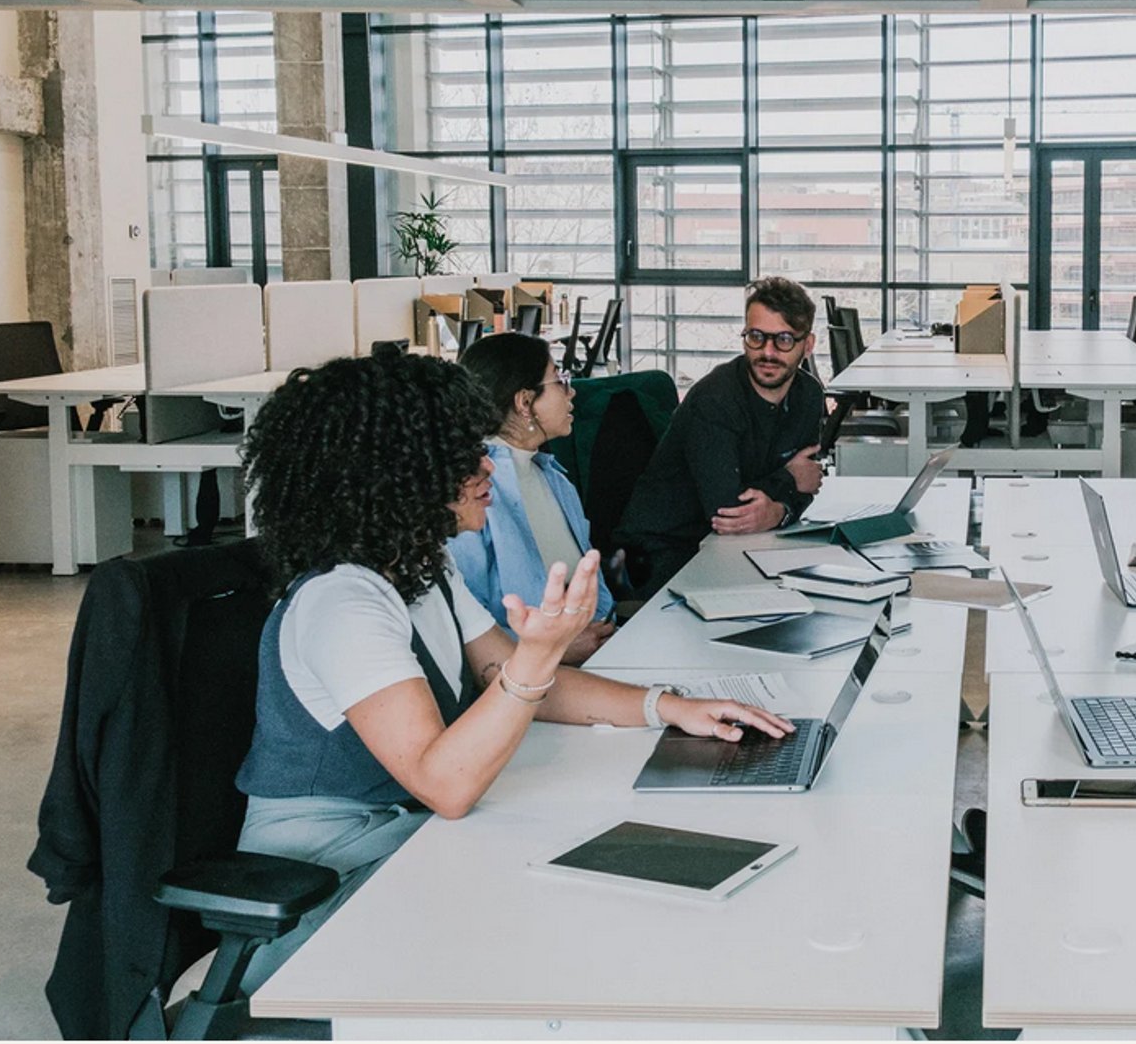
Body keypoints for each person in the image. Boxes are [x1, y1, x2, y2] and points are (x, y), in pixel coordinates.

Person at [232, 349, 791, 992]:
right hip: (321, 888)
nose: (485, 467)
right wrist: (540, 653)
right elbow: (445, 782)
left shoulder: (416, 569)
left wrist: (666, 707)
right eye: (459, 455)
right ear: (396, 473)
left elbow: (506, 670)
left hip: (400, 839)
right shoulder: (343, 602)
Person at [617, 276, 827, 596]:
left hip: (737, 547)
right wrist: (787, 481)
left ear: (807, 345)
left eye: (784, 339)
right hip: (664, 552)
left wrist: (781, 510)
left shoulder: (809, 395)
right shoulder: (715, 398)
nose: (767, 352)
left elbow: (807, 486)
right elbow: (727, 513)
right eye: (756, 337)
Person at [449, 331, 618, 666]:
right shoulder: (471, 495)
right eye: (560, 381)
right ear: (524, 402)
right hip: (529, 679)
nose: (572, 392)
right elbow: (462, 628)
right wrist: (554, 650)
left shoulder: (552, 477)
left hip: (602, 655)